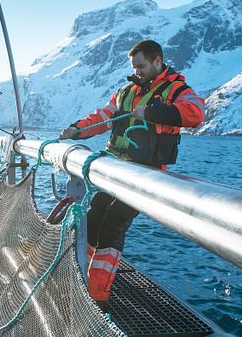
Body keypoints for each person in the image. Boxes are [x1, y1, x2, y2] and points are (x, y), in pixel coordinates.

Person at [58, 39, 205, 308]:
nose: (136, 71)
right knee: (96, 215)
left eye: (141, 66)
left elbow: (196, 113)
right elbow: (102, 117)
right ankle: (83, 276)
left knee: (113, 222)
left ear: (157, 61)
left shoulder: (176, 89)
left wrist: (153, 112)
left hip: (145, 174)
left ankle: (98, 296)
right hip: (116, 169)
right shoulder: (125, 92)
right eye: (134, 67)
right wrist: (76, 129)